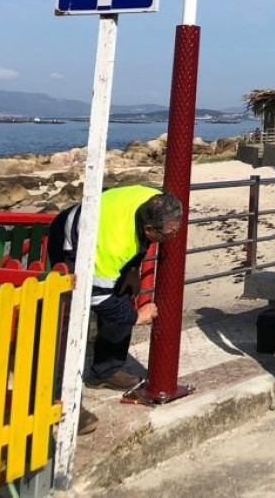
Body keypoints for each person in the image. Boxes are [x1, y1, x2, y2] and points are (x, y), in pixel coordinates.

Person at [47, 185, 183, 434]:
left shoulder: (153, 200)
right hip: (72, 242)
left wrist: (132, 270)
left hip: (110, 235)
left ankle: (105, 370)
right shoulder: (114, 243)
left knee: (123, 293)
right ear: (149, 229)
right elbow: (98, 298)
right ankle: (58, 400)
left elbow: (140, 242)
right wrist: (136, 317)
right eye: (167, 234)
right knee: (68, 320)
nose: (172, 237)